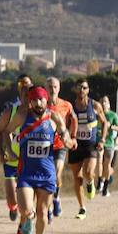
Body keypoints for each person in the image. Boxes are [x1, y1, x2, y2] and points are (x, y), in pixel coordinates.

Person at [12, 86, 68, 234]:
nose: (38, 103)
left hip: (46, 173)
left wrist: (67, 139)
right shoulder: (22, 116)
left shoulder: (53, 117)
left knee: (43, 211)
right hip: (27, 172)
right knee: (25, 209)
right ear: (30, 102)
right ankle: (29, 217)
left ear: (46, 100)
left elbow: (64, 133)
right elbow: (7, 132)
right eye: (34, 99)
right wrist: (9, 149)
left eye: (41, 99)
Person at [0, 74, 34, 223]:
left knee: (28, 198)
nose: (27, 95)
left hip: (30, 162)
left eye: (29, 92)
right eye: (24, 92)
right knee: (12, 200)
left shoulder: (39, 112)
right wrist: (1, 152)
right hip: (11, 160)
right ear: (20, 93)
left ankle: (25, 224)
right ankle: (12, 207)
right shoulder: (10, 111)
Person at [44, 77, 77, 219]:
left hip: (61, 145)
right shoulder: (41, 105)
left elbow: (74, 119)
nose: (52, 89)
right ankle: (50, 204)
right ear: (46, 88)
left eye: (55, 87)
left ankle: (56, 198)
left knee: (57, 173)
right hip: (45, 146)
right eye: (50, 87)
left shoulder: (66, 105)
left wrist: (73, 137)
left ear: (59, 88)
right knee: (48, 177)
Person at [66, 79, 99, 219]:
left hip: (90, 144)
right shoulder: (71, 107)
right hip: (75, 144)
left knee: (88, 172)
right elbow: (65, 125)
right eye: (79, 88)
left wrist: (102, 139)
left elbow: (105, 121)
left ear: (88, 90)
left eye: (84, 88)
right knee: (77, 178)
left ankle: (91, 183)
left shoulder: (95, 105)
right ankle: (82, 208)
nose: (81, 90)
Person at [96, 95, 118, 197]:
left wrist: (112, 127)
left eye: (105, 102)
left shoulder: (113, 115)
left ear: (109, 104)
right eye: (101, 101)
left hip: (110, 143)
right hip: (99, 142)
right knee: (99, 159)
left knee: (107, 165)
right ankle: (99, 181)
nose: (103, 104)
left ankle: (105, 187)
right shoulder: (96, 115)